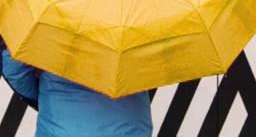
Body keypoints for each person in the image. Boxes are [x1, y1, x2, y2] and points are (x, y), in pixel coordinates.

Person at [2, 48, 153, 137]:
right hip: (130, 127)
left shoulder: (52, 2)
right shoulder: (139, 8)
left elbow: (14, 66)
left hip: (62, 127)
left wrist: (45, 98)